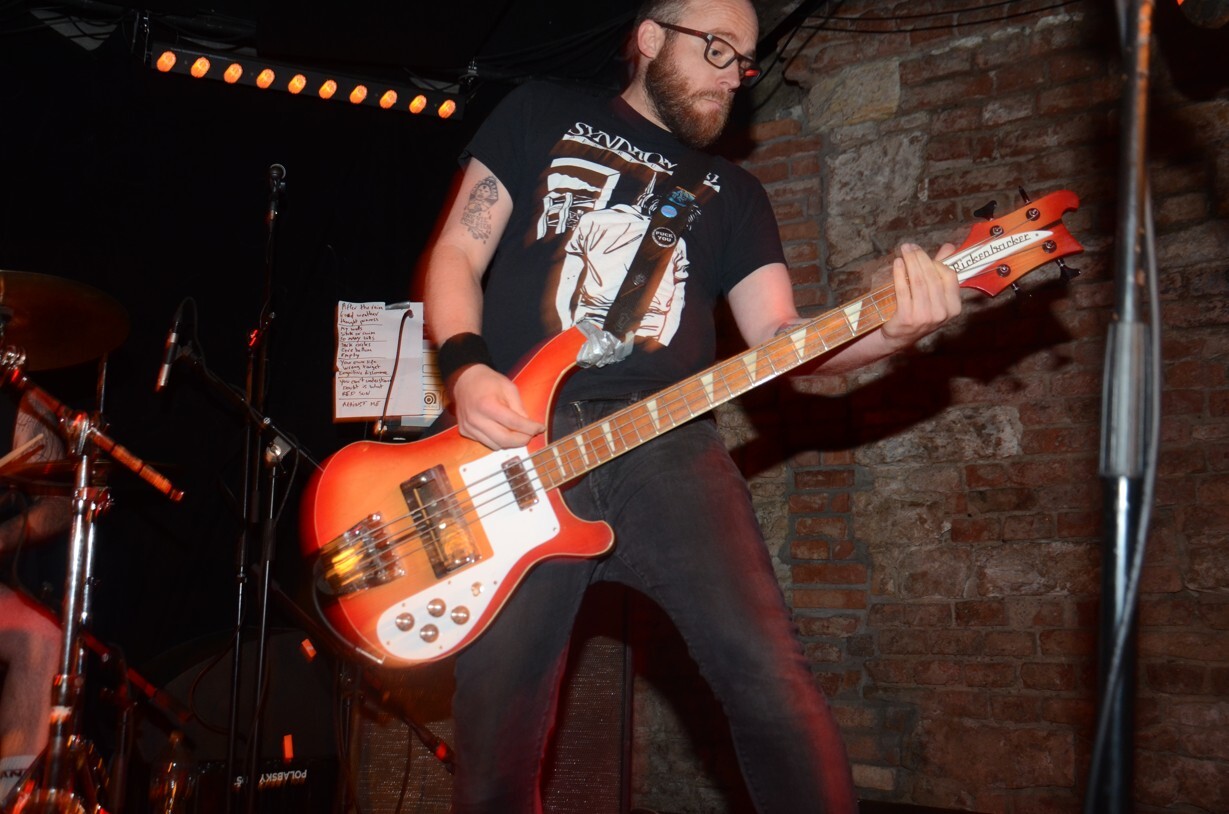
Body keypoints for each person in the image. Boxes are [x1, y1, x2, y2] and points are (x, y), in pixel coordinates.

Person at [420, 0, 963, 810]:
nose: (734, 76)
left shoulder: (736, 194)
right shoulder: (539, 110)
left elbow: (779, 339)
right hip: (517, 447)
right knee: (497, 732)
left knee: (773, 683)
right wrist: (465, 369)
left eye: (743, 61)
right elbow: (457, 252)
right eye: (716, 49)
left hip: (666, 441)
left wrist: (892, 331)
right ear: (648, 38)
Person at [0, 393, 72, 801]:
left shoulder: (23, 401)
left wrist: (2, 538)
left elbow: (59, 505)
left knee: (42, 636)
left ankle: (11, 798)